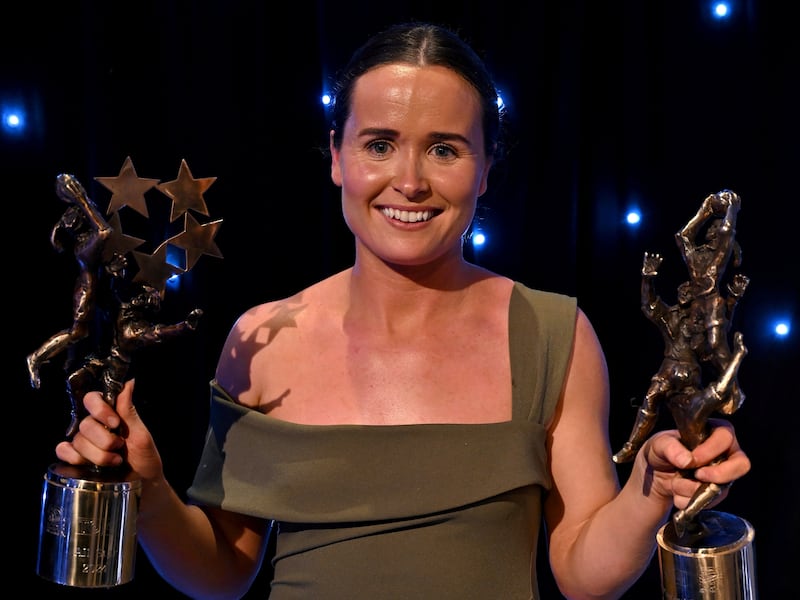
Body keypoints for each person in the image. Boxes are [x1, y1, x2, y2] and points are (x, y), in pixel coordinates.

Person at [55, 22, 751, 599]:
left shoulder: (551, 332)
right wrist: (146, 491)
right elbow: (222, 569)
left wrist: (650, 488)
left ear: (485, 169)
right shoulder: (262, 338)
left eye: (444, 149)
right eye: (380, 144)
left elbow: (580, 569)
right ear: (336, 157)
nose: (409, 182)